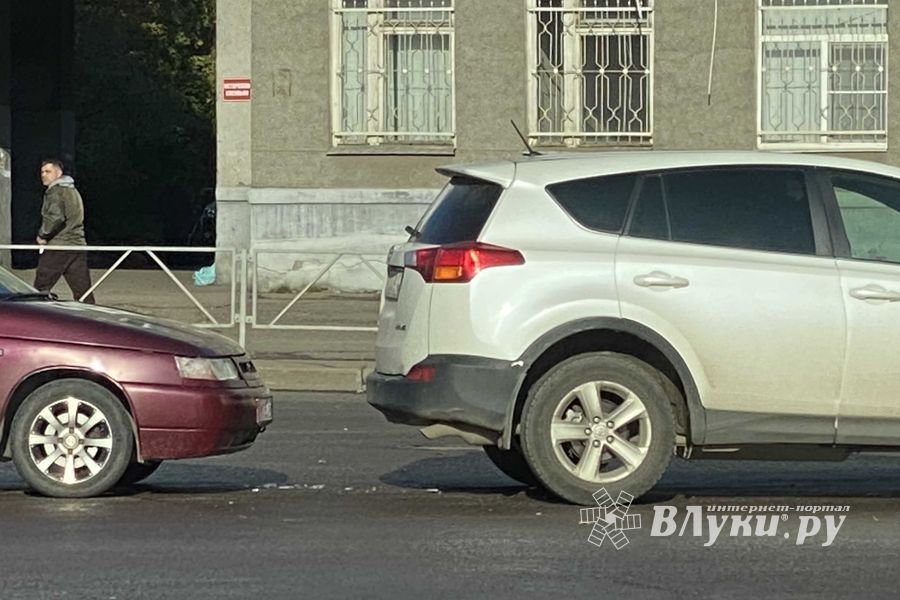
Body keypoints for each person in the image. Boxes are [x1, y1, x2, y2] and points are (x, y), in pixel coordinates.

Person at [33, 159, 96, 304]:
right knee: (82, 290)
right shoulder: (72, 190)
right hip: (77, 244)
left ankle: (33, 320)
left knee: (40, 287)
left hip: (59, 245)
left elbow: (55, 217)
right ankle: (91, 318)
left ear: (58, 173)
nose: (43, 175)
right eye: (42, 172)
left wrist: (43, 235)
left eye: (48, 171)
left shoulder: (56, 191)